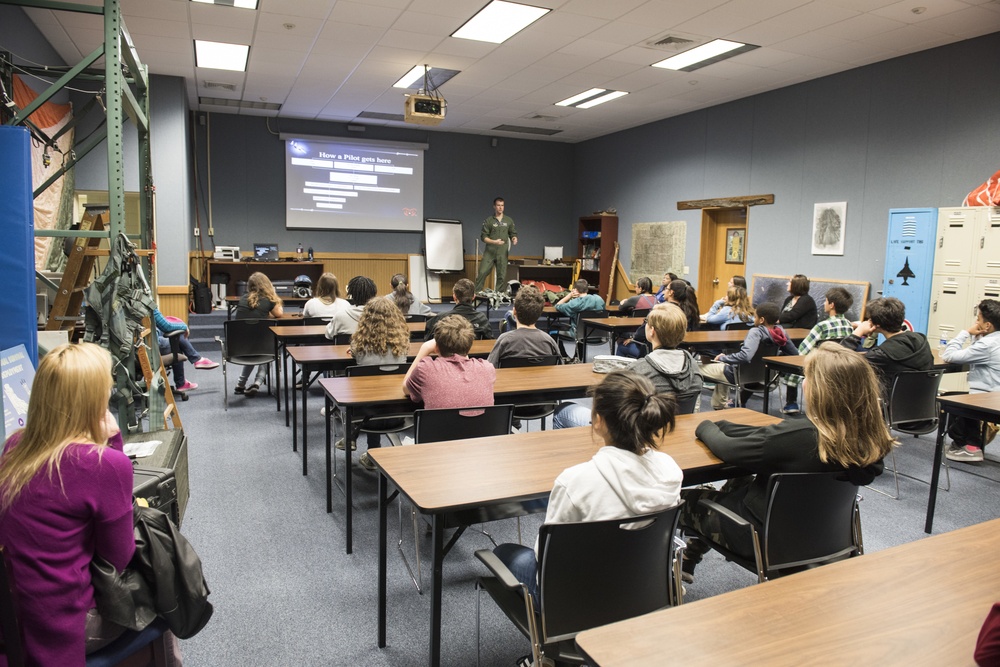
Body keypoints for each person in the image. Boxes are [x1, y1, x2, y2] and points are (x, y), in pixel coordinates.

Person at [680, 343, 894, 583]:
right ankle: (689, 560)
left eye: (807, 377)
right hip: (822, 537)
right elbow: (769, 438)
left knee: (679, 503)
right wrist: (728, 426)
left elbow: (728, 450)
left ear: (822, 388)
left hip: (760, 539)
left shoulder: (799, 437)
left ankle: (666, 581)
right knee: (739, 480)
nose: (804, 383)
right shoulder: (868, 439)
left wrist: (705, 426)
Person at [491, 370, 683, 601]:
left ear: (598, 421)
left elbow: (546, 555)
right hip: (645, 587)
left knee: (503, 552)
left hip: (578, 598)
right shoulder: (670, 470)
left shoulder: (575, 481)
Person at [0, 343, 137, 664]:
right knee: (165, 589)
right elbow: (119, 558)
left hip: (11, 619)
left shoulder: (15, 446)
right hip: (62, 627)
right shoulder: (104, 464)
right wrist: (114, 441)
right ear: (94, 401)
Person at [555, 304, 704, 428]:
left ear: (652, 331)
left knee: (563, 411)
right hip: (674, 431)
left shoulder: (637, 372)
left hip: (635, 438)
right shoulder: (693, 366)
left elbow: (608, 408)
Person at [347, 297, 413, 471]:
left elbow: (356, 353)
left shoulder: (358, 345)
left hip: (363, 416)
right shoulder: (403, 344)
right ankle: (372, 453)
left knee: (363, 393)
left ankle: (357, 440)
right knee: (383, 395)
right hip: (398, 414)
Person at [699, 302, 799, 409]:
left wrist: (723, 358)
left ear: (761, 320)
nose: (753, 319)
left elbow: (745, 356)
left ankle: (713, 407)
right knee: (726, 364)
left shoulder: (755, 332)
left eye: (755, 316)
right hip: (765, 376)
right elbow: (794, 354)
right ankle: (721, 404)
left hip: (738, 375)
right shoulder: (781, 333)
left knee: (695, 370)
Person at [940, 299, 1000, 462]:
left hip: (988, 398)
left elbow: (949, 355)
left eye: (978, 319)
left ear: (987, 325)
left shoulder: (988, 344)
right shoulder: (993, 340)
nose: (975, 323)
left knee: (950, 400)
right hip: (994, 394)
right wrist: (977, 337)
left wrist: (965, 332)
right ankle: (970, 444)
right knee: (960, 395)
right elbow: (975, 353)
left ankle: (969, 446)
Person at [838, 296, 932, 398]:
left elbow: (838, 359)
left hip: (888, 409)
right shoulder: (921, 340)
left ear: (876, 324)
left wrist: (858, 332)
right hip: (922, 406)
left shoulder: (881, 355)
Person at [782, 286, 854, 414]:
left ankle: (791, 403)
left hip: (820, 366)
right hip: (839, 366)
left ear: (831, 305)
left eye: (825, 301)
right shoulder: (849, 325)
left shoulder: (822, 326)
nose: (823, 303)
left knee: (793, 367)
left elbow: (803, 349)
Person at [404, 315, 496, 409]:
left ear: (436, 348)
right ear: (470, 345)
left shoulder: (425, 369)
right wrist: (464, 351)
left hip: (440, 424)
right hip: (481, 424)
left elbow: (406, 388)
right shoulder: (487, 369)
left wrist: (425, 349)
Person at [235, 271, 283, 397]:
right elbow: (279, 314)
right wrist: (273, 295)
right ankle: (257, 383)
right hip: (261, 347)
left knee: (255, 347)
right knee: (271, 347)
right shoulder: (268, 300)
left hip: (239, 347)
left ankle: (240, 384)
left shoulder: (243, 299)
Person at [487, 285, 559, 366]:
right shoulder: (549, 341)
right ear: (539, 314)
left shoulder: (504, 340)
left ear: (514, 312)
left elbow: (490, 368)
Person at [153, 308, 218, 393]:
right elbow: (167, 327)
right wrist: (184, 327)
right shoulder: (147, 303)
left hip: (139, 343)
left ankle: (195, 362)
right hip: (153, 344)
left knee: (175, 332)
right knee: (176, 340)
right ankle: (195, 361)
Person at [424, 278, 493, 341]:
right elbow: (489, 341)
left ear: (454, 297)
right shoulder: (482, 319)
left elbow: (427, 339)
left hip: (446, 353)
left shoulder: (441, 318)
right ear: (473, 297)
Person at [474, 197, 518, 294]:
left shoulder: (508, 220)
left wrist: (514, 238)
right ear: (494, 206)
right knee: (482, 272)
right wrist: (494, 242)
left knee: (501, 275)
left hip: (503, 252)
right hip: (490, 251)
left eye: (502, 205)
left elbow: (513, 233)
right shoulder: (489, 220)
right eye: (498, 205)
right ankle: (476, 295)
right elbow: (483, 237)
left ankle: (498, 297)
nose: (500, 207)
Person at [325, 275, 377, 339]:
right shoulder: (381, 317)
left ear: (351, 294)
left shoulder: (340, 315)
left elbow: (328, 335)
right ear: (373, 294)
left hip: (344, 349)